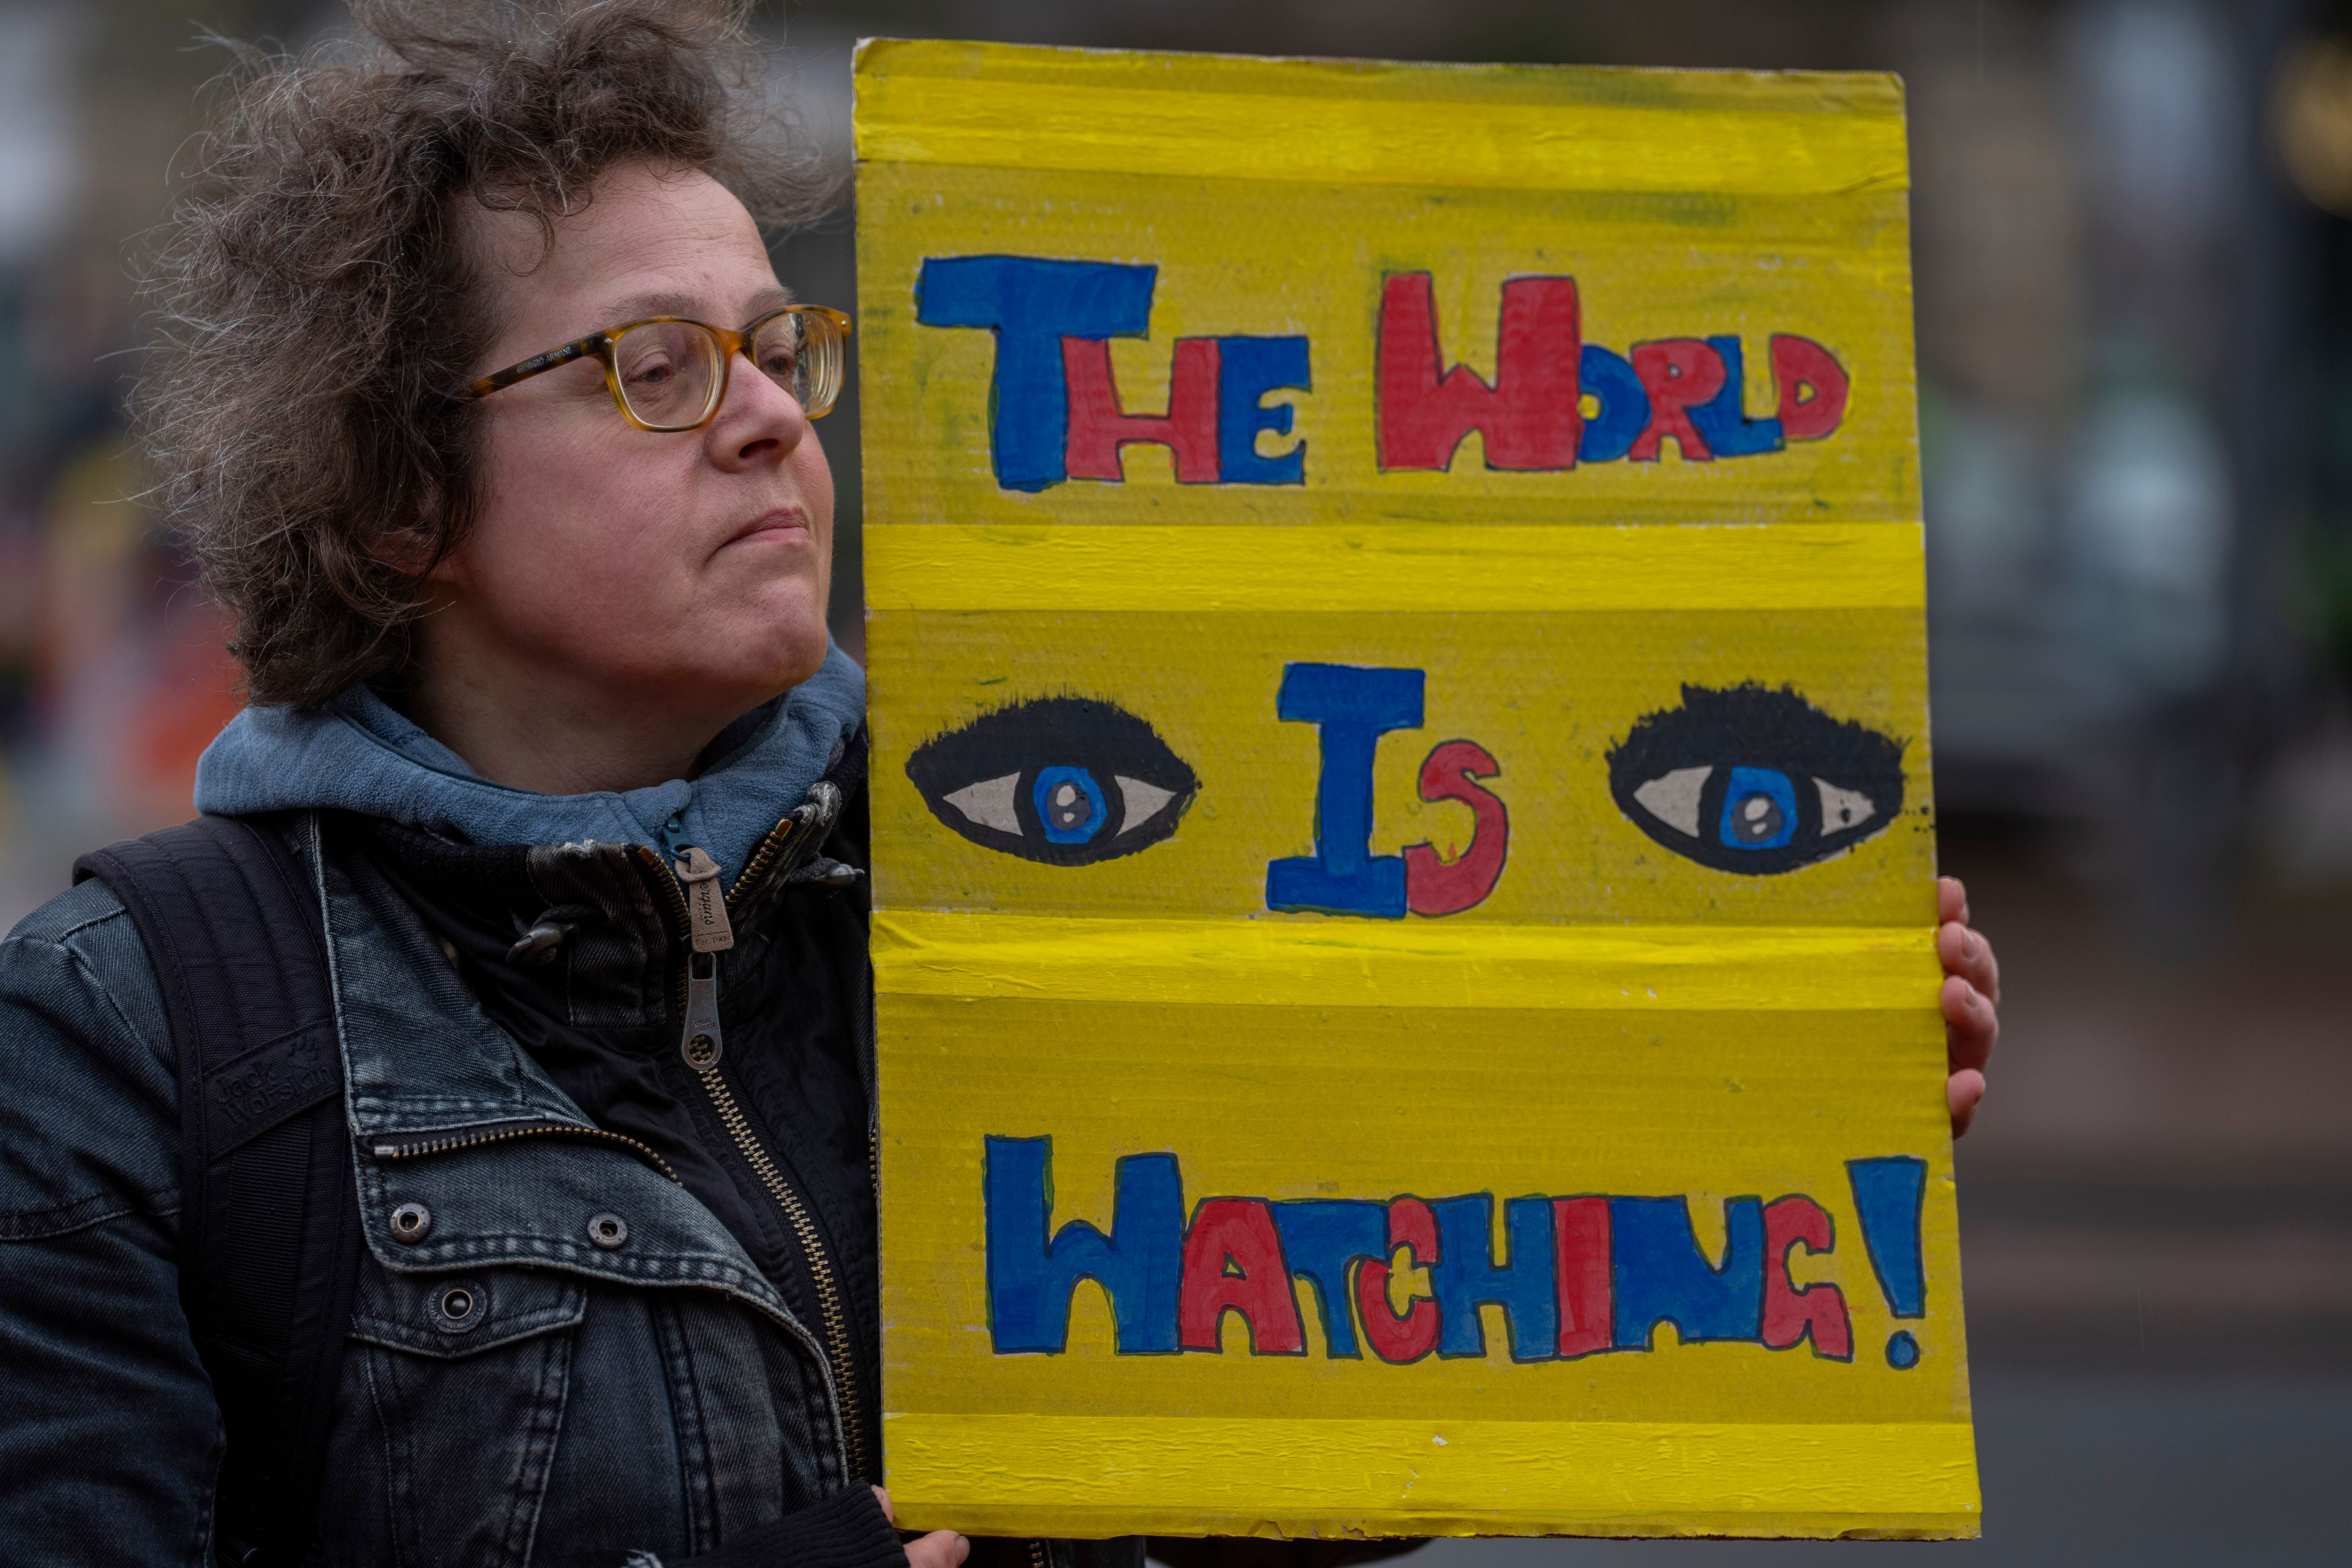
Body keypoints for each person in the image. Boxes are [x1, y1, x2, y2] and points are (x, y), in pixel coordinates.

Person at [0, 3, 2004, 1565]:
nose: (775, 417)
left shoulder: (1030, 880)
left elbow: (1232, 1477)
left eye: (781, 346)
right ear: (399, 496)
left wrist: (1720, 1128)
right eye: (655, 367)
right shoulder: (136, 1040)